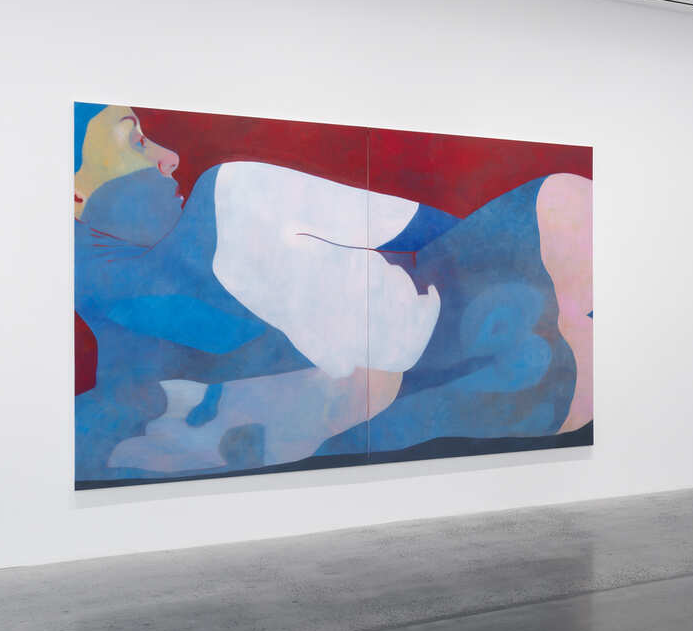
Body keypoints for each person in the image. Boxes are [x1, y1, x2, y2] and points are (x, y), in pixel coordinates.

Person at [73, 103, 591, 483]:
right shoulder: (231, 192)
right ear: (74, 194)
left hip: (469, 380)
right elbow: (420, 229)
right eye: (135, 142)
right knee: (565, 206)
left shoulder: (123, 383)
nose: (169, 157)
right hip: (473, 328)